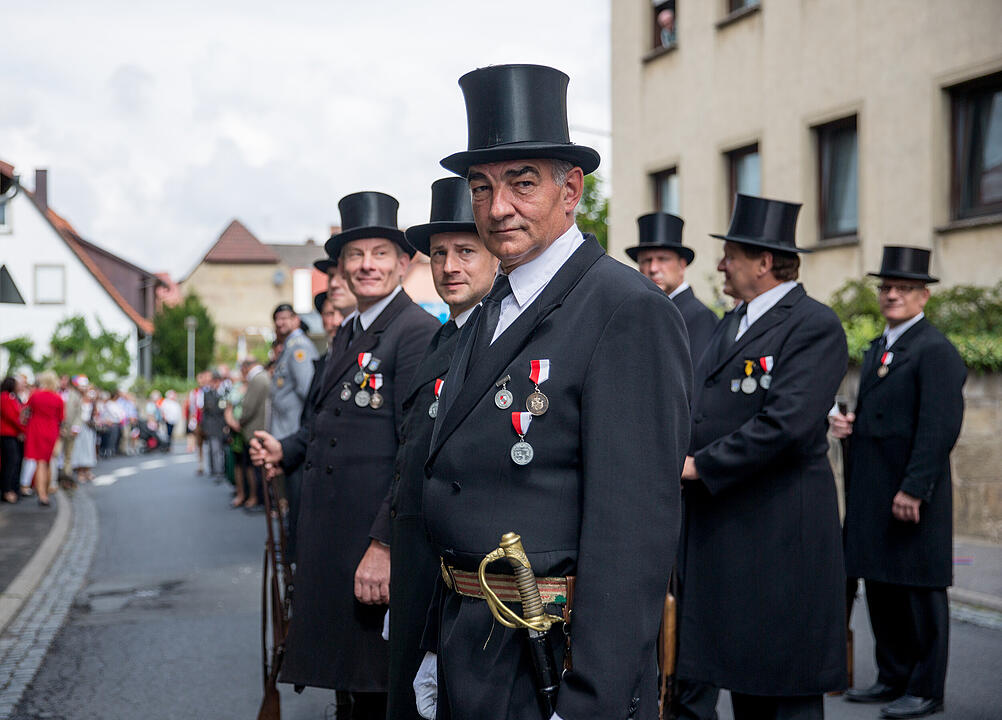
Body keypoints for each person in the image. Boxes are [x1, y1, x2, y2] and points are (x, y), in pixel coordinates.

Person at [415, 64, 692, 720]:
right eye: (481, 187)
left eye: (521, 183)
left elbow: (633, 533)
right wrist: (434, 644)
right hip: (473, 644)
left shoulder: (625, 309)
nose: (497, 207)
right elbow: (457, 487)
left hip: (549, 658)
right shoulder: (490, 308)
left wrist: (591, 698)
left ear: (572, 190)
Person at [251, 190, 439, 718]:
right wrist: (282, 449)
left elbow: (415, 450)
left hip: (370, 546)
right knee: (348, 688)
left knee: (378, 687)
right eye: (355, 255)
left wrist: (383, 545)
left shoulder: (416, 333)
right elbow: (320, 428)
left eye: (380, 253)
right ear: (340, 269)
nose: (366, 265)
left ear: (404, 262)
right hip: (331, 545)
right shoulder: (349, 332)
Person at [677, 194, 848, 720]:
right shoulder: (735, 321)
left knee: (786, 688)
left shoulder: (813, 325)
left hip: (780, 537)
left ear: (765, 262)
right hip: (733, 530)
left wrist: (700, 465)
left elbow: (786, 425)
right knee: (744, 678)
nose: (721, 264)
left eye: (730, 254)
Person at [366, 177, 497, 720]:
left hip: (455, 567)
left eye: (466, 251)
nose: (449, 266)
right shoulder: (448, 335)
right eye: (439, 253)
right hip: (418, 555)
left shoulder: (494, 340)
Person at [831, 246, 965, 720]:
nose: (892, 295)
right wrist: (851, 426)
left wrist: (915, 488)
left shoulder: (935, 350)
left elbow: (939, 427)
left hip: (911, 494)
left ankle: (926, 688)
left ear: (922, 295)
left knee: (921, 593)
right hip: (873, 492)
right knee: (883, 588)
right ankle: (892, 677)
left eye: (902, 288)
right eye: (886, 288)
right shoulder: (879, 347)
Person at [627, 211, 718, 364]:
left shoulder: (700, 317)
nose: (653, 268)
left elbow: (696, 379)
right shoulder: (637, 312)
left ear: (682, 265)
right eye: (646, 260)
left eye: (663, 259)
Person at [269, 303, 318, 440]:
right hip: (284, 428)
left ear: (296, 320)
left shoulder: (299, 347)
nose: (279, 323)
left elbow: (307, 389)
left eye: (284, 318)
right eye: (277, 319)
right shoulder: (289, 346)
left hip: (292, 430)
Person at [21, 370, 65, 506]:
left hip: (36, 430)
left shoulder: (36, 396)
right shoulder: (58, 398)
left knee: (40, 463)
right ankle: (46, 490)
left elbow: (25, 411)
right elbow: (61, 418)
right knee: (47, 461)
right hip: (51, 430)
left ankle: (42, 495)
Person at [235, 358, 270, 511]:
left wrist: (240, 421)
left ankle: (260, 501)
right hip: (260, 427)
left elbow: (248, 406)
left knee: (256, 468)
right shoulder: (263, 377)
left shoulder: (257, 379)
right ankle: (260, 500)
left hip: (255, 429)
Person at [1, 375, 26, 504]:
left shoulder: (10, 397)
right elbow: (12, 416)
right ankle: (6, 490)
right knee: (10, 462)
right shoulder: (5, 397)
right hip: (7, 434)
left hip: (12, 434)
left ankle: (10, 489)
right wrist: (23, 429)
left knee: (13, 462)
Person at [201, 372, 227, 480]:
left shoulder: (225, 393)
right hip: (212, 426)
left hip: (222, 425)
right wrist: (204, 427)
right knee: (214, 449)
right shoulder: (207, 394)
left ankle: (220, 470)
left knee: (220, 449)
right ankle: (217, 471)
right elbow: (206, 412)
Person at [70, 386, 98, 483]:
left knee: (89, 448)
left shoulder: (92, 403)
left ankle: (88, 470)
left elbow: (95, 414)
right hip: (79, 427)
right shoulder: (79, 401)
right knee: (79, 448)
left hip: (89, 427)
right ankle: (80, 472)